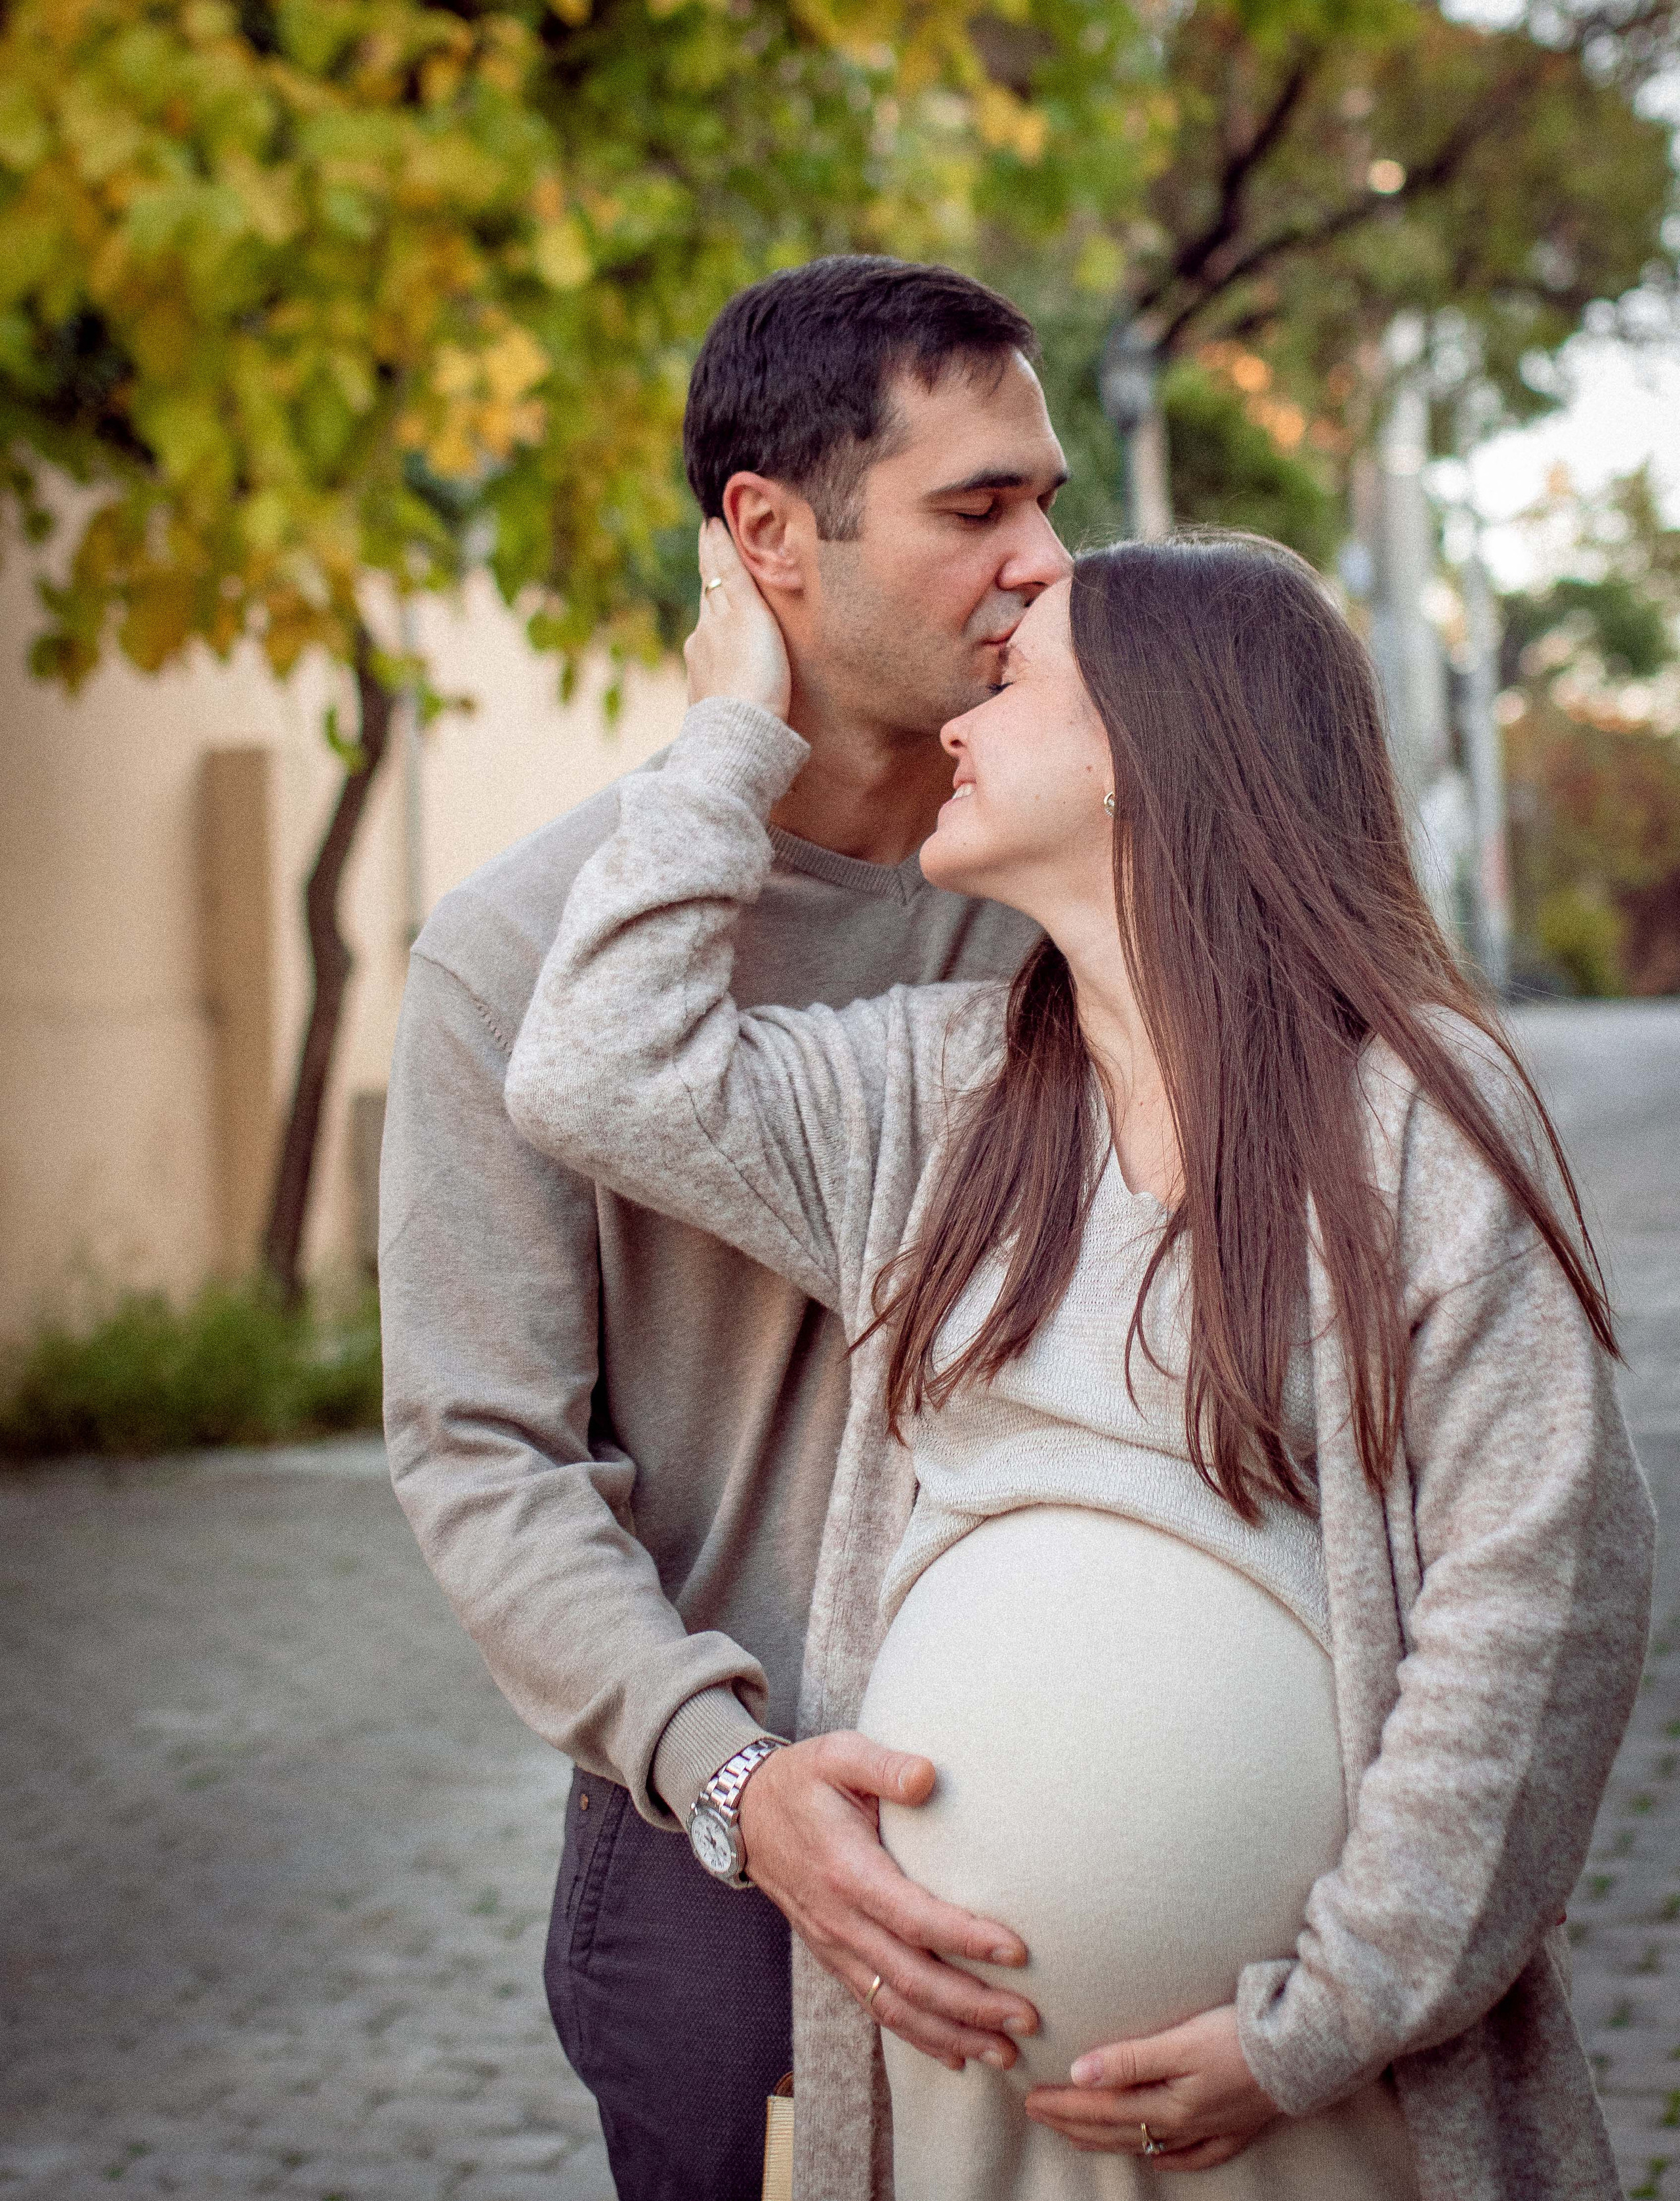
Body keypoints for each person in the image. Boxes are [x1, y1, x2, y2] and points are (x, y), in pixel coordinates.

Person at [503, 520, 1655, 2201]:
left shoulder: (1419, 1122)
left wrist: (1323, 2018)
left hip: (1331, 2107)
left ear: (1153, 746)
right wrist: (732, 722)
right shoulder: (930, 1098)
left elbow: (1538, 1600)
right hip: (953, 2107)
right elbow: (593, 1072)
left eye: (1014, 682)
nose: (958, 722)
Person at [379, 255, 1071, 2201]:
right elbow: (485, 1454)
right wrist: (731, 1777)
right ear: (768, 536)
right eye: (975, 506)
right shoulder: (517, 953)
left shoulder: (1066, 879)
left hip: (1084, 1791)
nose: (1040, 561)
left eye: (1047, 498)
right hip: (728, 1856)